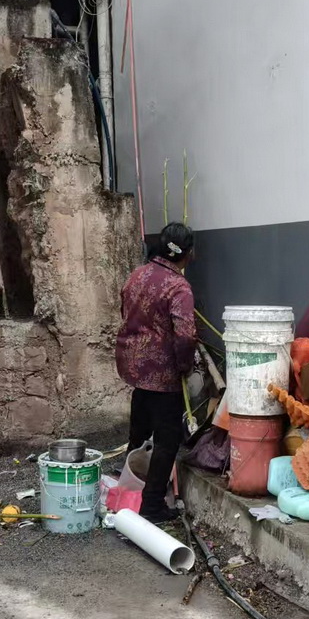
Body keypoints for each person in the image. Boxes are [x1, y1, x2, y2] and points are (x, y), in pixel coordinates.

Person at [115, 223, 198, 524]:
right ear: (187, 253)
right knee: (167, 439)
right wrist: (185, 366)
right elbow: (185, 335)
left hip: (133, 366)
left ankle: (128, 490)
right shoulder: (178, 287)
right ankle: (151, 505)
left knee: (139, 430)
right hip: (162, 373)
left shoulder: (137, 275)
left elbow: (125, 312)